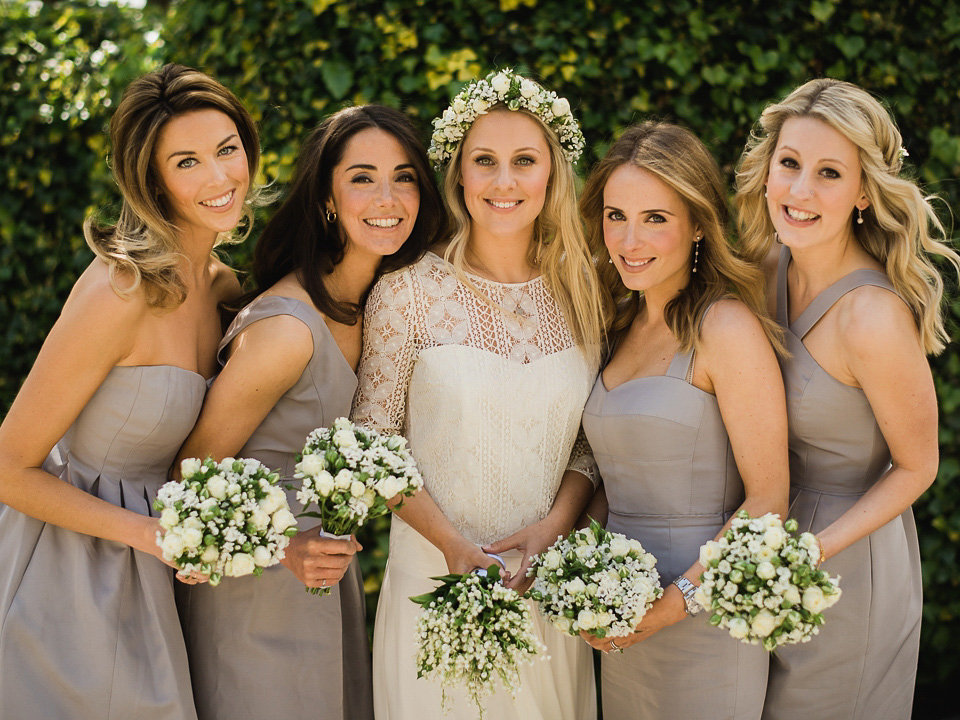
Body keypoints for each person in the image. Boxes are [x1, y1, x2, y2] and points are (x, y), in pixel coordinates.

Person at [0, 64, 260, 719]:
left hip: (161, 574)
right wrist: (149, 535)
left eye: (227, 150)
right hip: (64, 573)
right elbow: (7, 466)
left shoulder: (229, 291)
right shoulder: (120, 290)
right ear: (151, 179)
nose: (219, 176)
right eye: (187, 162)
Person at [174, 104, 443, 720]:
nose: (388, 197)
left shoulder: (387, 306)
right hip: (254, 586)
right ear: (326, 196)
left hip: (326, 576)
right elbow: (188, 476)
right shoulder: (287, 330)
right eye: (362, 177)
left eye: (404, 176)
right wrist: (284, 548)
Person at [352, 69, 607, 720]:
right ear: (458, 174)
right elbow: (371, 448)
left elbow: (590, 445)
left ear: (551, 174)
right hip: (435, 584)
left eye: (524, 161)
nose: (504, 182)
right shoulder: (405, 293)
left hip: (544, 591)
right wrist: (454, 548)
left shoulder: (585, 294)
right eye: (484, 161)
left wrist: (553, 530)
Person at [735, 78, 959, 720]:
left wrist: (815, 549)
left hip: (849, 563)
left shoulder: (872, 318)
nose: (800, 192)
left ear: (864, 192)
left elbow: (919, 467)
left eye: (829, 173)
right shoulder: (760, 267)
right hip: (764, 542)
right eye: (790, 164)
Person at [576, 121, 789, 718]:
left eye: (655, 218)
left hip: (703, 619)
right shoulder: (618, 324)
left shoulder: (726, 328)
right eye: (615, 215)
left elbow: (768, 499)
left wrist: (671, 606)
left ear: (698, 224)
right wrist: (578, 571)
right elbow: (613, 475)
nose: (629, 239)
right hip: (616, 615)